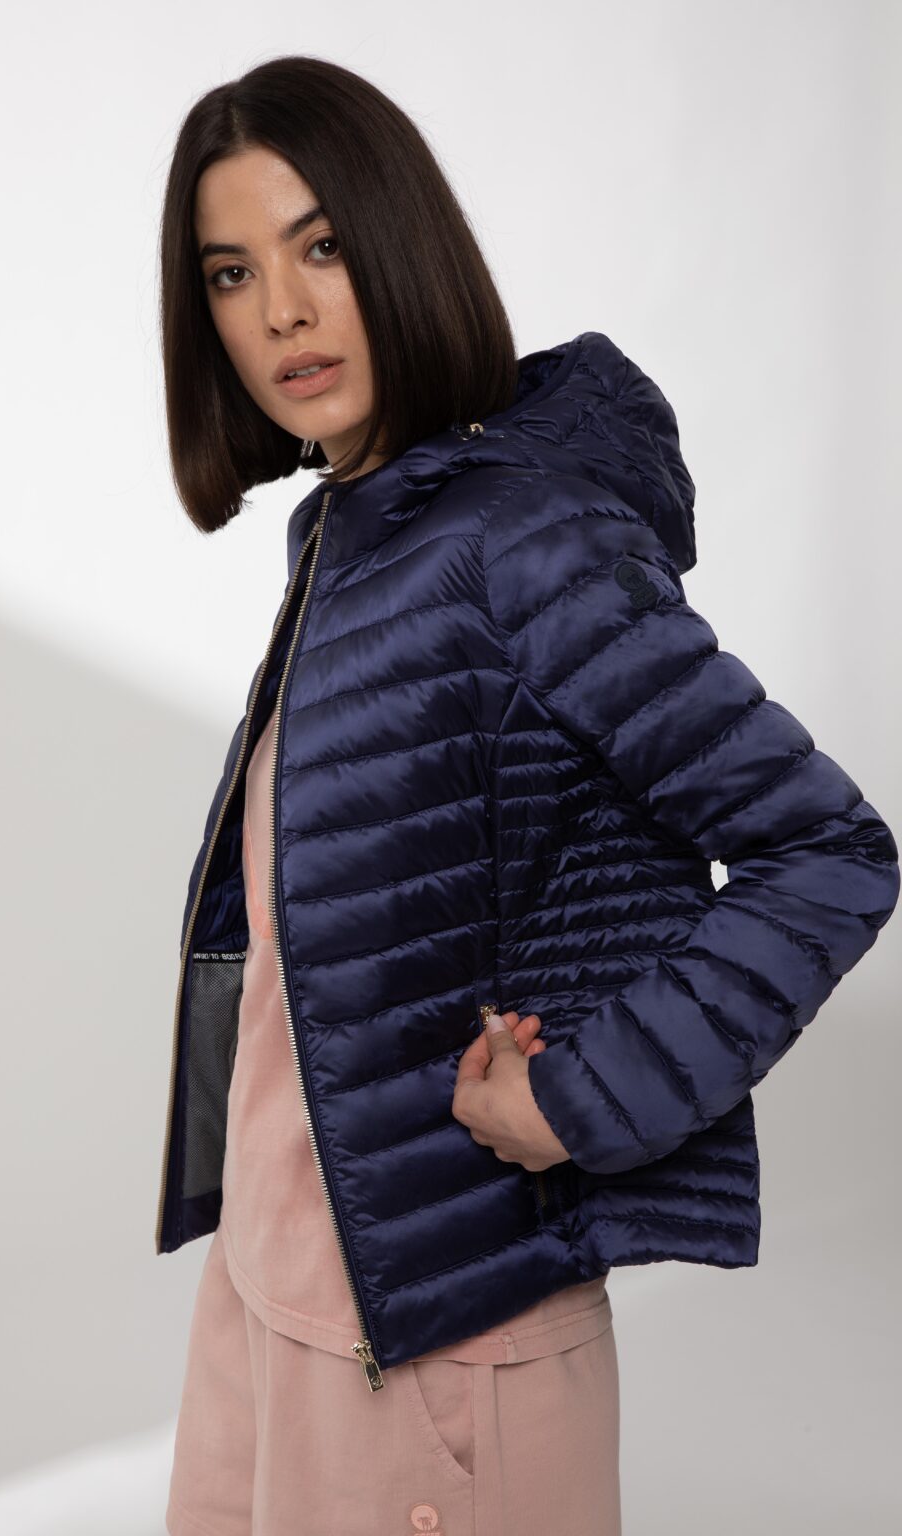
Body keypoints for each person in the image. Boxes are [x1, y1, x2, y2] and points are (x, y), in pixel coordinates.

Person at [154, 56, 900, 1536]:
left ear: (401, 242)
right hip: (275, 1292)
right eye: (232, 272)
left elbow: (828, 851)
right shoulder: (350, 534)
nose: (282, 310)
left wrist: (585, 1095)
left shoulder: (520, 537)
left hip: (438, 1344)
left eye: (321, 245)